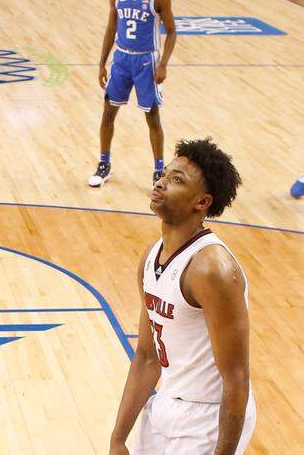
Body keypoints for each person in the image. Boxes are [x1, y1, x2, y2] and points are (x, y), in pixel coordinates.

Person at [108, 138, 254, 455]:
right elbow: (147, 358)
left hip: (208, 418)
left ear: (201, 203)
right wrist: (118, 438)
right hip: (166, 404)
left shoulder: (212, 270)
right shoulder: (151, 258)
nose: (160, 182)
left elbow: (237, 379)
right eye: (165, 174)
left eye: (177, 180)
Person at [89, 0, 177, 188]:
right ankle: (104, 164)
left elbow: (171, 31)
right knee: (108, 112)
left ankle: (159, 170)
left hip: (146, 62)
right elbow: (110, 29)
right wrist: (101, 63)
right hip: (121, 60)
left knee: (152, 116)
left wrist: (163, 64)